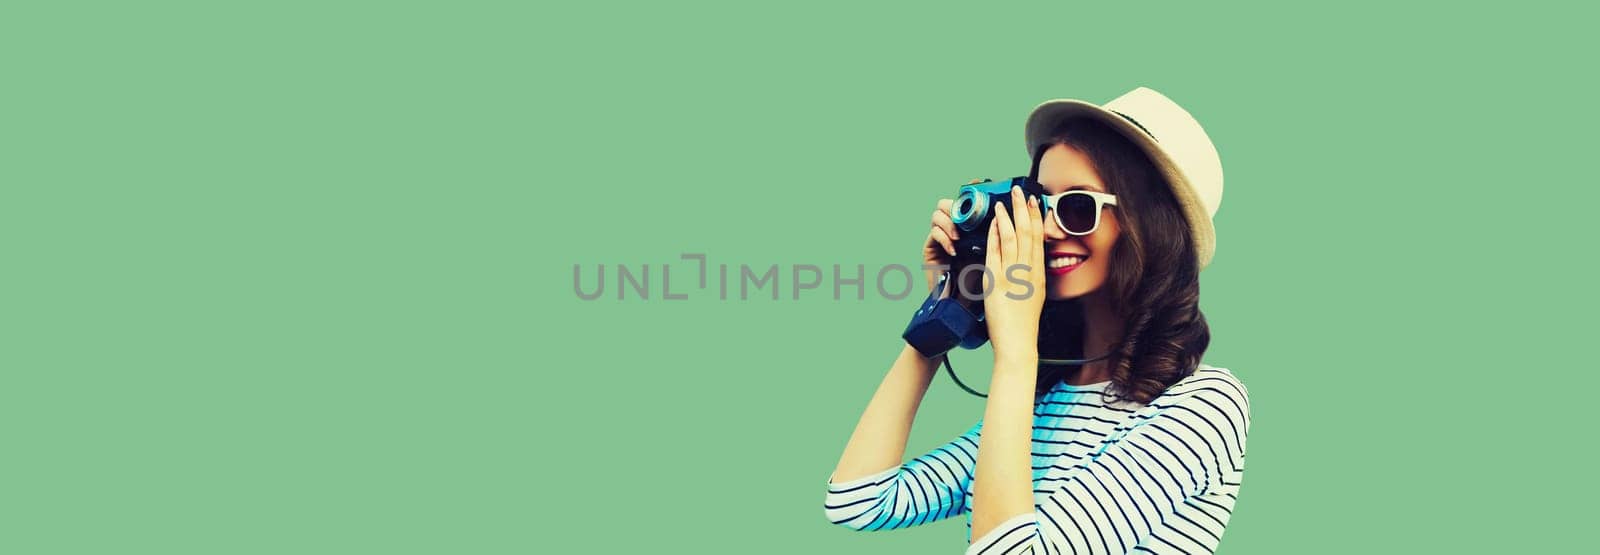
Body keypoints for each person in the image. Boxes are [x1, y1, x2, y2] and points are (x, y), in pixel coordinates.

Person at [823, 87, 1251, 554]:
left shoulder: (1207, 405)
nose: (1047, 231)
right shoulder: (1047, 402)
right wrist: (946, 310)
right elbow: (858, 499)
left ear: (1150, 226)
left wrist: (1016, 351)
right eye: (1040, 206)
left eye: (1077, 207)